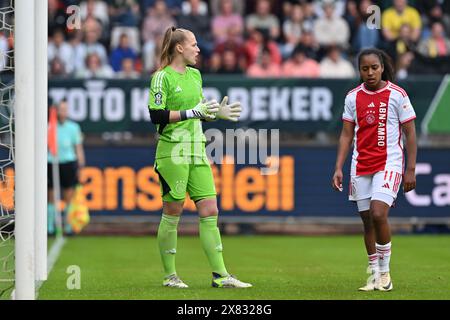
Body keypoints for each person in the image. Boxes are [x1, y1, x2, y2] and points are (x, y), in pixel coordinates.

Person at [147, 26, 251, 288]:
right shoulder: (162, 78)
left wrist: (217, 113)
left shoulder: (195, 75)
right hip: (173, 151)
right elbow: (156, 116)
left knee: (210, 209)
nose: (198, 49)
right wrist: (193, 112)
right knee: (173, 210)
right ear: (179, 48)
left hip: (197, 149)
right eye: (193, 44)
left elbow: (199, 110)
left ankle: (221, 275)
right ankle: (170, 276)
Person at [332, 48, 417, 292]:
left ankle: (385, 274)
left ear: (382, 68)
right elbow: (346, 135)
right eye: (365, 68)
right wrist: (338, 167)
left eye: (374, 68)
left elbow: (410, 133)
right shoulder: (352, 97)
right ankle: (374, 274)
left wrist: (410, 169)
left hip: (389, 163)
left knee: (379, 214)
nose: (370, 73)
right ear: (359, 70)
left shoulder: (397, 95)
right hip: (360, 166)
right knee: (368, 221)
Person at [48, 100, 86, 235]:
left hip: (68, 163)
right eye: (61, 109)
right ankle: (50, 226)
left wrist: (81, 165)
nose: (63, 112)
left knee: (68, 195)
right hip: (52, 162)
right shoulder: (49, 127)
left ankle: (68, 225)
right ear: (56, 111)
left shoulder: (74, 127)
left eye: (65, 109)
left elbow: (78, 147)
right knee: (51, 194)